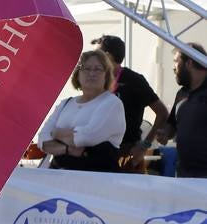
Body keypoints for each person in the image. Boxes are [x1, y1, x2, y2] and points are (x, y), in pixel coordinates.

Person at [38, 48, 126, 173]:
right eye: (86, 68)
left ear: (106, 75)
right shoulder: (65, 103)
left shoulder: (112, 103)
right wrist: (67, 149)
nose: (92, 73)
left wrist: (56, 133)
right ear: (77, 74)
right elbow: (42, 140)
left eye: (98, 69)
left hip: (95, 181)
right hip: (59, 179)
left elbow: (87, 137)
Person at [91, 35, 168, 172]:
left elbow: (162, 113)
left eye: (96, 54)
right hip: (97, 151)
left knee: (124, 193)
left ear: (107, 56)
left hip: (126, 153)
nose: (91, 59)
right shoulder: (95, 80)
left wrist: (144, 146)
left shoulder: (134, 81)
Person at [156, 43, 207, 178]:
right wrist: (165, 133)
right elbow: (172, 125)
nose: (174, 67)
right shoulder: (181, 94)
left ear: (189, 63)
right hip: (183, 175)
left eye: (176, 62)